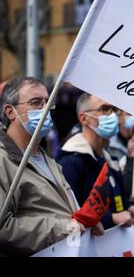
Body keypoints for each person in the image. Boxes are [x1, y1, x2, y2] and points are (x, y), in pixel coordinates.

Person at [0, 77, 91, 256]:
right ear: (10, 112)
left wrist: (85, 221)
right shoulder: (3, 160)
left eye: (47, 103)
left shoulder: (47, 158)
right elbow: (3, 227)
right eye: (36, 103)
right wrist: (63, 228)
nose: (45, 109)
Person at [56, 93, 134, 230]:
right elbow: (70, 214)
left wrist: (130, 207)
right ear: (83, 118)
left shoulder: (108, 159)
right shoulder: (70, 162)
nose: (113, 116)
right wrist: (112, 218)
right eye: (105, 109)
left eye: (115, 110)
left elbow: (117, 199)